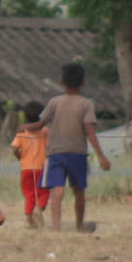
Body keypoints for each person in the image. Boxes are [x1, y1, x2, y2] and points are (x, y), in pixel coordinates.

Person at [35, 64, 110, 233]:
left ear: (62, 80)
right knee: (79, 190)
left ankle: (56, 227)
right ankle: (79, 225)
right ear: (83, 82)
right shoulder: (86, 104)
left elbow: (41, 123)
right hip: (78, 154)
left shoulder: (54, 102)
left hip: (56, 153)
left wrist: (26, 127)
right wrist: (101, 156)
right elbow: (90, 131)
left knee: (57, 189)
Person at [11, 101, 50, 229]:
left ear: (25, 117)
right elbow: (50, 147)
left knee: (29, 194)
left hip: (26, 168)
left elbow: (15, 150)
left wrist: (20, 158)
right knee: (44, 192)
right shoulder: (45, 132)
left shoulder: (22, 133)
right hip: (42, 168)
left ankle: (29, 220)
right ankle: (39, 209)